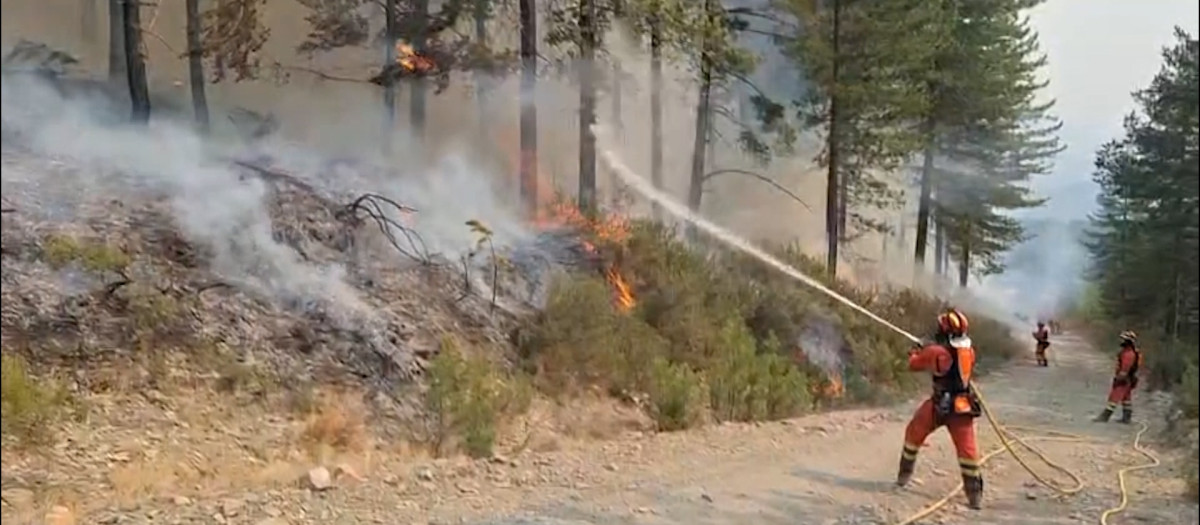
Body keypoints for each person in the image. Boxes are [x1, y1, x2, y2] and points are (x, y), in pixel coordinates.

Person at [896, 309, 984, 509]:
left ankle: (903, 476)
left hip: (938, 405)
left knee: (914, 433)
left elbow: (914, 364)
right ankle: (974, 496)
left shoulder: (936, 352)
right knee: (968, 451)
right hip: (962, 408)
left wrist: (916, 350)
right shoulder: (969, 351)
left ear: (945, 330)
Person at [1094, 330, 1143, 424]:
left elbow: (1125, 368)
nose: (1121, 341)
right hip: (1129, 379)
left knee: (1114, 398)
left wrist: (1119, 379)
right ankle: (1126, 418)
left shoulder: (1128, 354)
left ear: (1128, 341)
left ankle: (1105, 417)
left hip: (1124, 379)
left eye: (1123, 339)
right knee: (1126, 399)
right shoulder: (1130, 352)